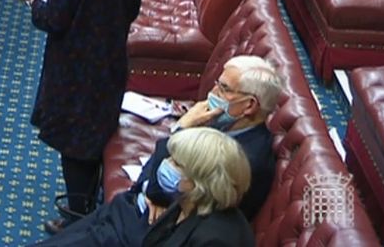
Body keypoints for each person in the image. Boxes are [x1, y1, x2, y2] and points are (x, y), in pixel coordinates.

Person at [33, 56, 280, 243]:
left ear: (249, 105)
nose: (213, 92)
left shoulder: (247, 160)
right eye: (217, 83)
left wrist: (180, 128)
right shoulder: (223, 125)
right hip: (130, 209)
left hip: (142, 231)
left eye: (224, 88)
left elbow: (156, 186)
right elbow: (152, 179)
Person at [10, 0, 145, 223]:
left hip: (73, 69)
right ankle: (87, 199)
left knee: (74, 142)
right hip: (111, 61)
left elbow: (53, 20)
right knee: (98, 129)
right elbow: (132, 10)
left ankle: (77, 214)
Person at [142, 128, 256, 246]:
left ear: (200, 182)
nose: (165, 163)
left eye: (176, 163)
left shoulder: (215, 241)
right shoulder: (187, 201)